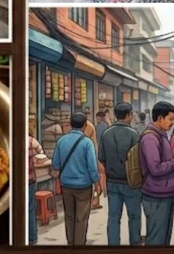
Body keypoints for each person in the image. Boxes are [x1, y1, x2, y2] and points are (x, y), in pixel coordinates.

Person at [140, 101, 174, 246]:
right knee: (157, 238)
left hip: (165, 194)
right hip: (156, 196)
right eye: (170, 119)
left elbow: (162, 159)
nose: (172, 123)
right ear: (159, 118)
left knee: (164, 236)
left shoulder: (162, 135)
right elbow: (155, 168)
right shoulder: (151, 138)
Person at [51, 112, 100, 246]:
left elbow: (55, 164)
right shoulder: (87, 143)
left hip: (66, 185)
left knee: (69, 216)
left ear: (71, 125)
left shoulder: (62, 141)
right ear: (85, 125)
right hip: (83, 187)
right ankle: (79, 245)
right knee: (81, 218)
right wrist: (97, 184)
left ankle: (70, 242)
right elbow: (92, 167)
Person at [99, 102, 141, 246]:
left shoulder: (106, 133)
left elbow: (102, 158)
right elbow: (139, 159)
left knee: (113, 217)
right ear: (129, 115)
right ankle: (134, 242)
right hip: (131, 182)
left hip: (112, 182)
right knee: (134, 216)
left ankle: (113, 244)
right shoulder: (134, 134)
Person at [28, 134, 51, 246]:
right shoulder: (30, 141)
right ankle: (32, 238)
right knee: (30, 210)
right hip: (29, 180)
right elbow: (41, 151)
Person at [82, 110, 103, 211]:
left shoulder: (88, 127)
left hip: (91, 154)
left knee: (93, 179)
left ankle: (94, 201)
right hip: (91, 154)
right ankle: (94, 201)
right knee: (93, 179)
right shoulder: (90, 126)